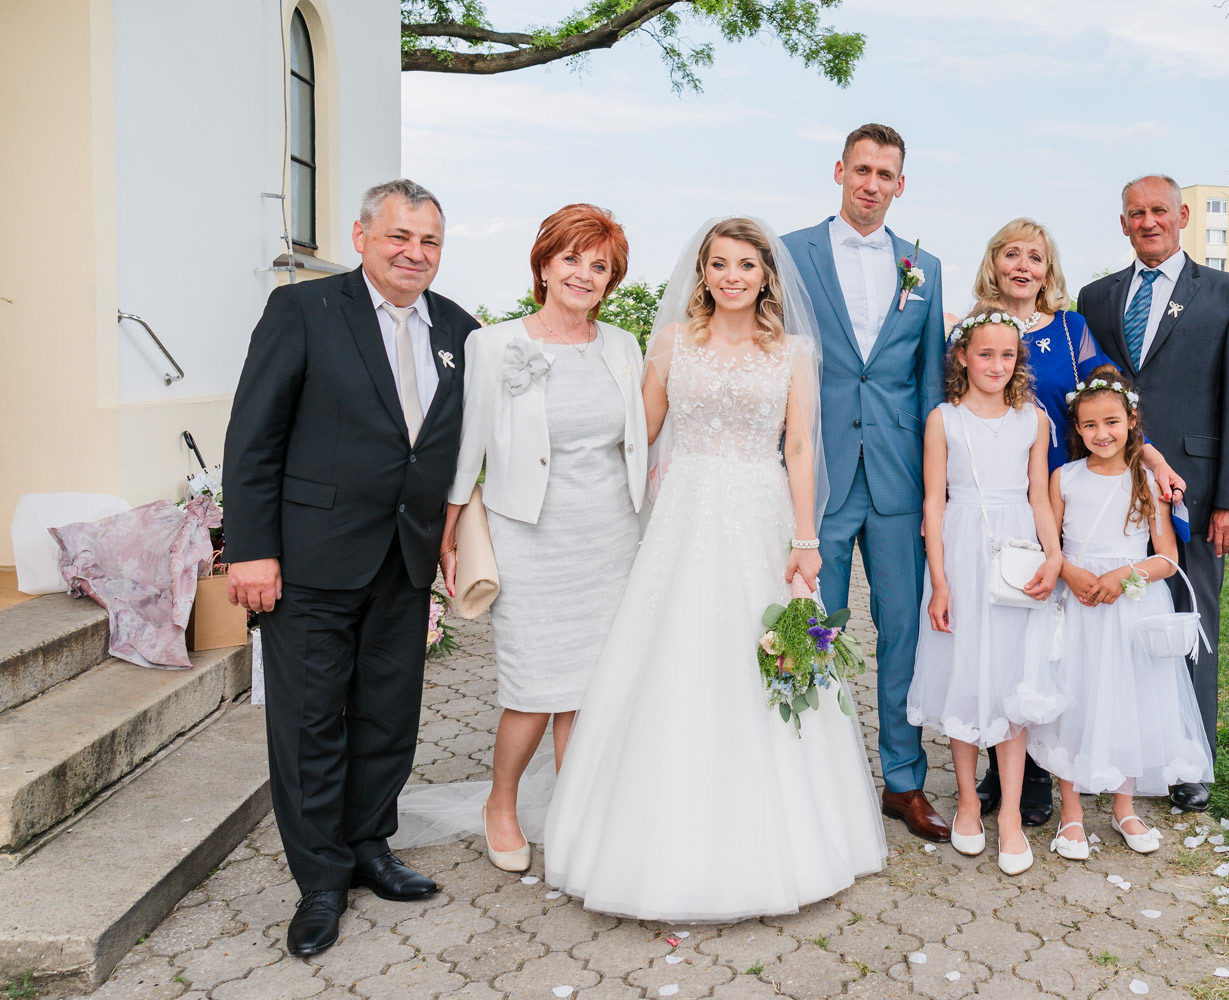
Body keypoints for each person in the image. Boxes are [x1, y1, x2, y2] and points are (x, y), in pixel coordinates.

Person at [542, 217, 885, 921]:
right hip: (685, 512)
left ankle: (790, 839)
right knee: (674, 655)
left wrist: (805, 537)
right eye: (720, 263)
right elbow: (638, 435)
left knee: (766, 658)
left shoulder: (793, 353)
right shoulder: (672, 344)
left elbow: (798, 447)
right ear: (702, 272)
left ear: (766, 277)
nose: (733, 276)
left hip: (762, 514)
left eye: (746, 265)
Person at [222, 180, 479, 957]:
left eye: (429, 241)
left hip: (404, 560)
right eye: (400, 236)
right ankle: (321, 880)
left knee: (387, 716)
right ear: (362, 236)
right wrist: (251, 549)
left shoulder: (460, 330)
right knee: (308, 726)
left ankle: (370, 846)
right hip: (310, 558)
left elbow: (458, 448)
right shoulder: (302, 311)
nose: (415, 253)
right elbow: (253, 438)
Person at [441, 204, 647, 874]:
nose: (584, 274)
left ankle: (574, 820)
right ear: (545, 265)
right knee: (532, 691)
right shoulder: (494, 345)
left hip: (609, 538)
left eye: (600, 265)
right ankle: (500, 803)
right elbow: (468, 445)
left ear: (611, 279)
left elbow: (639, 442)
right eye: (571, 258)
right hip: (528, 538)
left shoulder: (623, 346)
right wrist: (448, 531)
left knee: (588, 692)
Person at [966, 218, 1185, 827]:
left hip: (1065, 493)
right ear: (994, 262)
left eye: (1035, 257)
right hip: (1000, 497)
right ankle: (1001, 766)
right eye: (1011, 254)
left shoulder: (1071, 330)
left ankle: (1042, 769)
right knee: (1004, 631)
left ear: (1048, 269)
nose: (1023, 266)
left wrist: (1151, 458)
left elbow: (1111, 396)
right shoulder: (976, 330)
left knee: (1049, 638)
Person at [782, 124, 952, 842]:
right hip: (816, 474)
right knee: (814, 625)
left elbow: (930, 382)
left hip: (897, 476)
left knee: (902, 629)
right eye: (861, 170)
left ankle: (903, 782)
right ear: (839, 172)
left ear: (900, 184)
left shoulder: (924, 267)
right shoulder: (790, 253)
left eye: (885, 174)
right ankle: (810, 775)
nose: (872, 184)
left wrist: (936, 485)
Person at [1076, 175, 1229, 813]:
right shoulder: (1097, 297)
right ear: (1122, 223)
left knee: (1191, 622)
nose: (1148, 221)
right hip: (1114, 488)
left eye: (1159, 210)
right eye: (1136, 213)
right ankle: (1113, 752)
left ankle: (1189, 762)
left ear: (1182, 216)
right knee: (1115, 626)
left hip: (1196, 492)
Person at [1027, 369, 1214, 859]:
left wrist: (1124, 576)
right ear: (1077, 429)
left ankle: (1123, 806)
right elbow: (1049, 542)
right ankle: (1071, 812)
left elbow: (1167, 558)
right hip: (1077, 606)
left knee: (1131, 701)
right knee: (1074, 699)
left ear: (1132, 421)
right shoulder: (1065, 478)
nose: (1102, 433)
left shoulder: (1146, 481)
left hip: (1130, 608)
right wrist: (1069, 571)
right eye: (1090, 425)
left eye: (1111, 422)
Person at [905, 313, 1064, 874]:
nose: (996, 366)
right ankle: (969, 801)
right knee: (966, 672)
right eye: (985, 354)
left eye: (1007, 356)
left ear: (1018, 361)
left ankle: (1012, 815)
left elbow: (1039, 496)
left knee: (1013, 679)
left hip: (1017, 551)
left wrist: (1053, 555)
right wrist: (940, 581)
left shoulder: (1032, 420)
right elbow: (933, 502)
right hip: (963, 551)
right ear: (962, 357)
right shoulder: (943, 420)